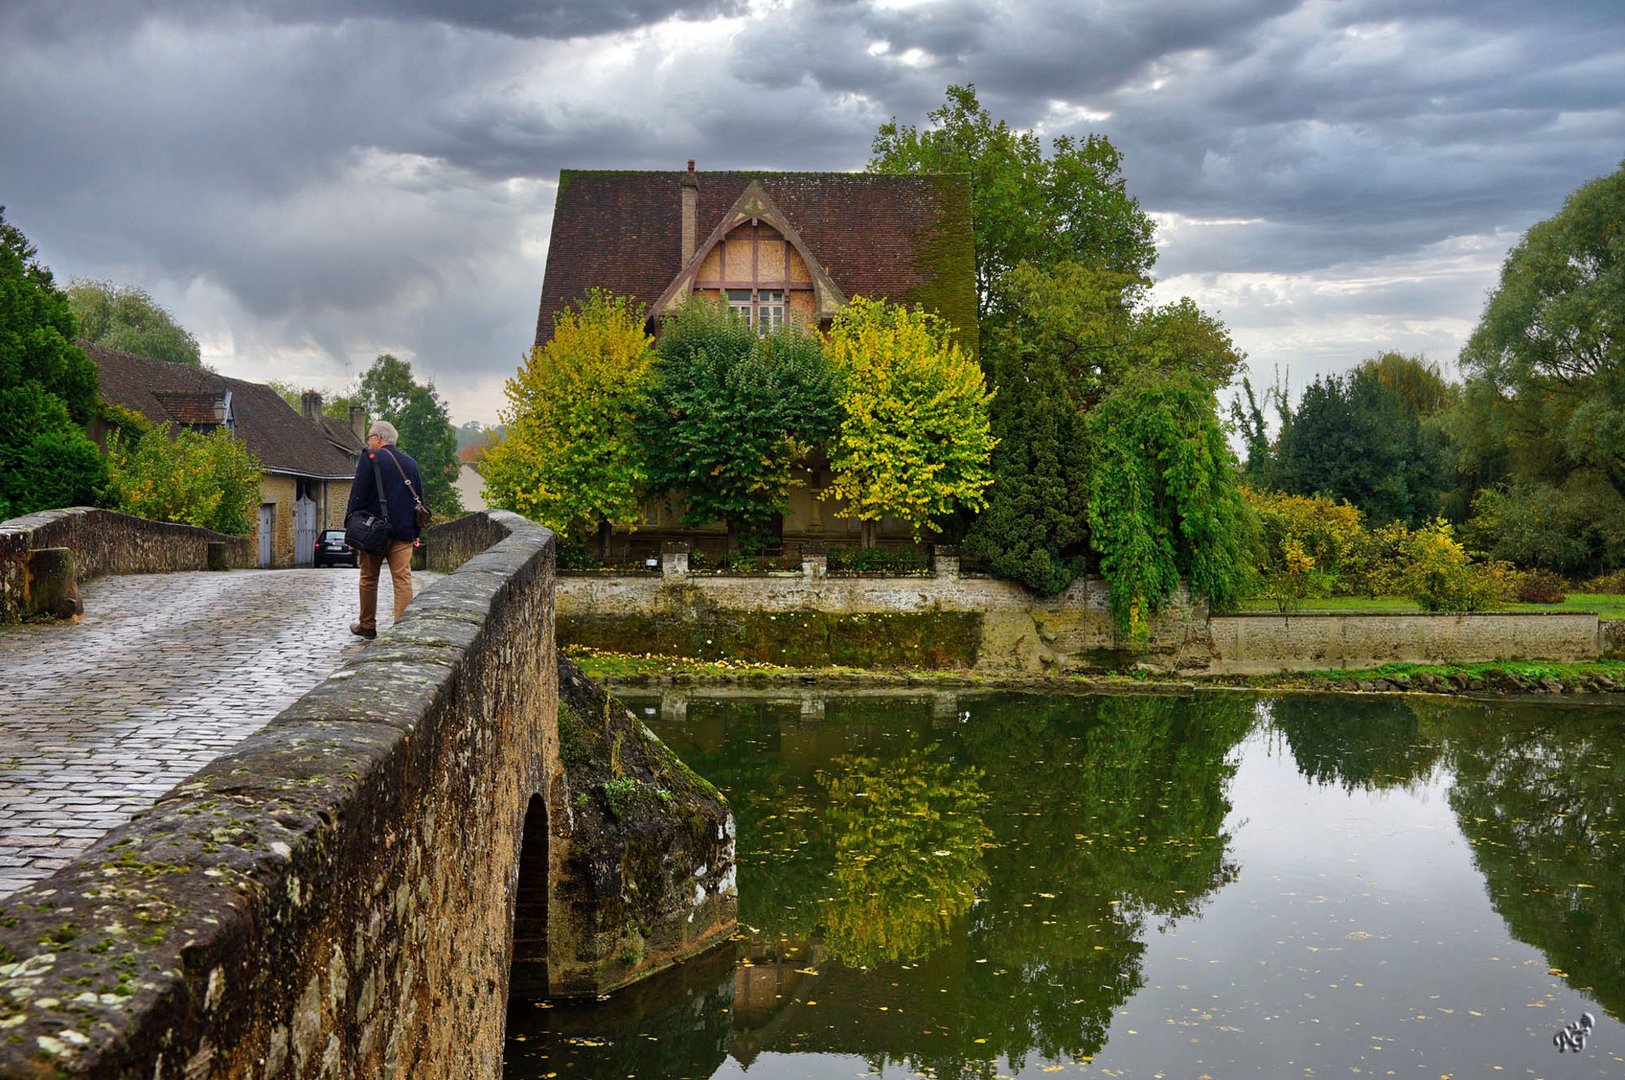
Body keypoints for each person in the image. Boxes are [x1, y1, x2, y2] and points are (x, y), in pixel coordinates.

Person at [346, 420, 425, 639]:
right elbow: (419, 502)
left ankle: (368, 625)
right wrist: (415, 534)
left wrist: (350, 523)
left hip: (372, 532)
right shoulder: (410, 464)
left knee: (369, 578)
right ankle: (402, 629)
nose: (368, 441)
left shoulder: (370, 458)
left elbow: (358, 494)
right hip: (403, 532)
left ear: (379, 438)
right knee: (402, 578)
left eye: (370, 437)